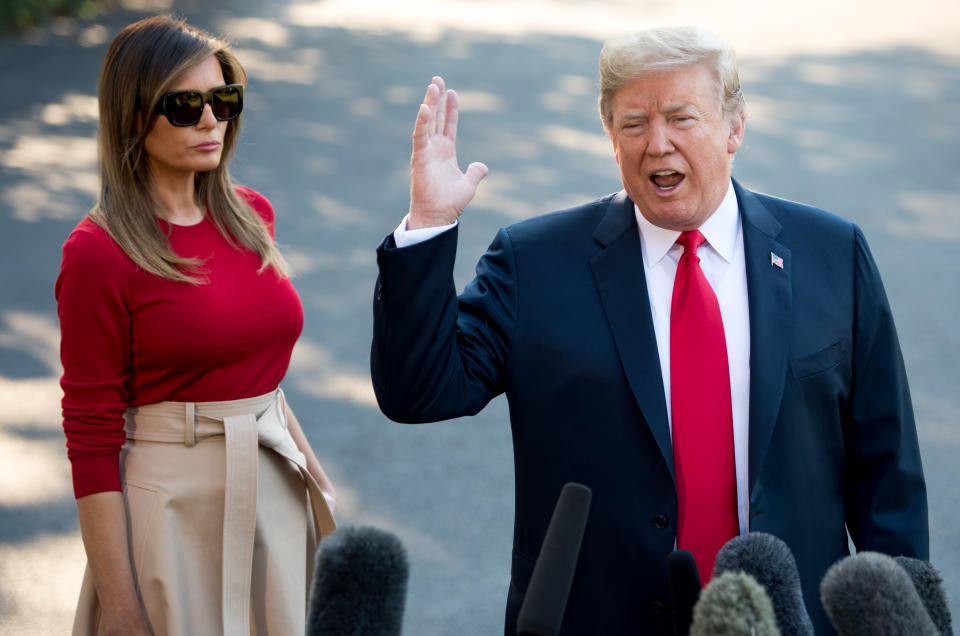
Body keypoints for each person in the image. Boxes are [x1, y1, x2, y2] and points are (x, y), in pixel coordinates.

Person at [370, 26, 928, 634]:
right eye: (634, 124)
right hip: (596, 617)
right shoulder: (534, 264)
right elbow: (419, 391)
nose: (657, 145)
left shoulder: (831, 254)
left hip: (788, 617)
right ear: (611, 137)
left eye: (681, 118)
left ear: (734, 127)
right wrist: (428, 222)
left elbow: (887, 473)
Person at [56, 15, 337, 635]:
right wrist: (123, 609)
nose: (212, 119)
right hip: (172, 517)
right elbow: (91, 436)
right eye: (185, 105)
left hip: (275, 495)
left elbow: (263, 384)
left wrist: (321, 490)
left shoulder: (251, 213)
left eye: (223, 99)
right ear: (134, 117)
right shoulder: (98, 253)